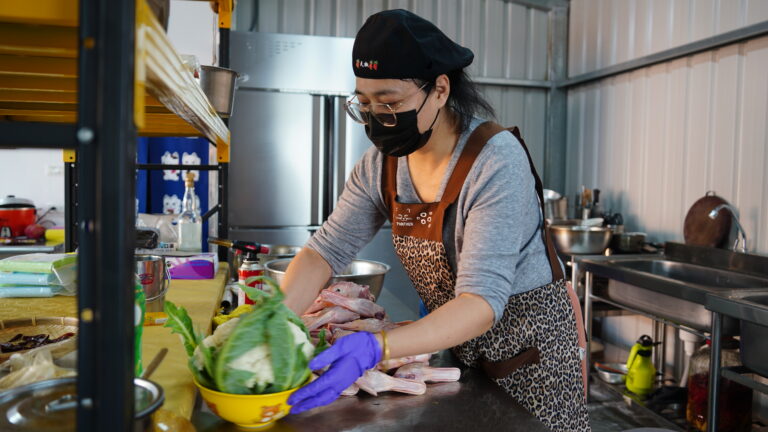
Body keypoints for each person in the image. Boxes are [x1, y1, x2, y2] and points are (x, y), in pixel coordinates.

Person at [283, 9, 590, 431]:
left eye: (390, 102)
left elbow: (480, 303)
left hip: (531, 362)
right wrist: (274, 322)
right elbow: (326, 250)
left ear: (440, 90)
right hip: (463, 354)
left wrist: (376, 348)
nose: (376, 118)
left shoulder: (495, 161)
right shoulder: (381, 166)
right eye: (365, 103)